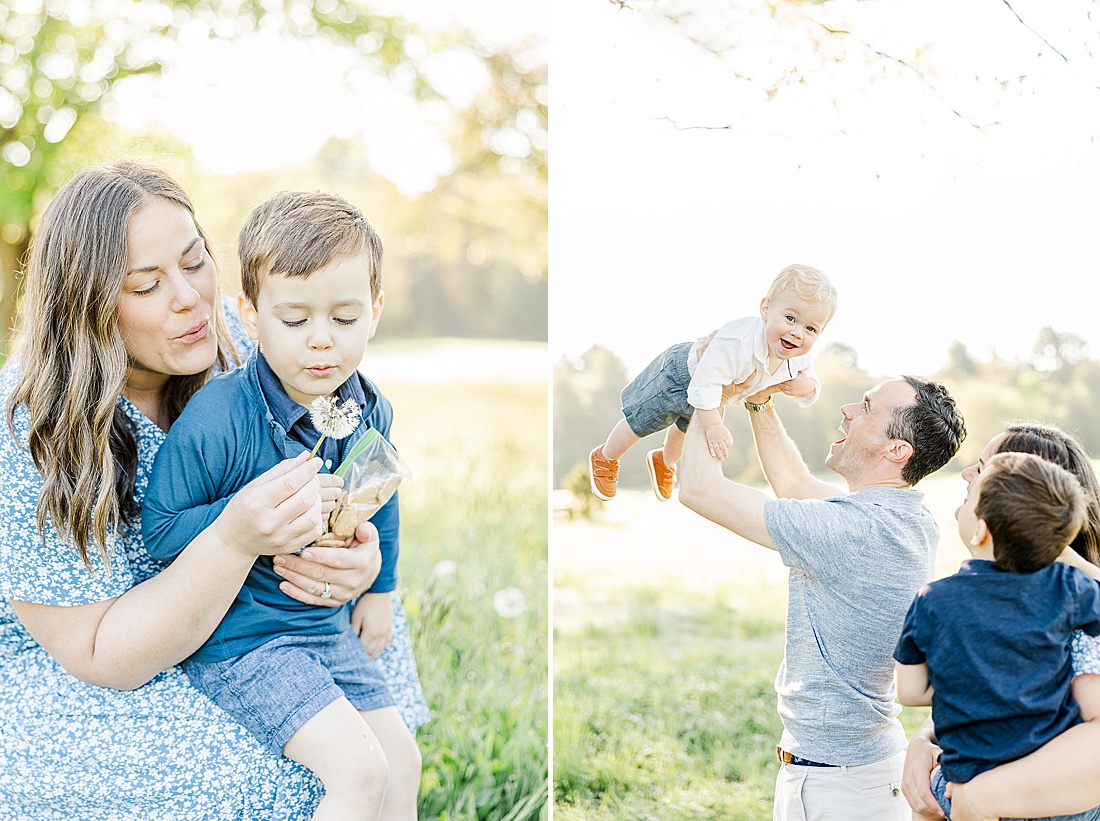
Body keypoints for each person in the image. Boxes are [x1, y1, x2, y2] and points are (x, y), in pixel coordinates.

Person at [0, 161, 425, 820]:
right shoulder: (32, 421)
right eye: (147, 285)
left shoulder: (248, 326)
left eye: (196, 260)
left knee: (378, 744)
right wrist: (233, 537)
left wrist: (364, 564)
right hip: (102, 650)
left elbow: (363, 460)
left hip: (267, 605)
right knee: (266, 774)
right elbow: (97, 650)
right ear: (87, 307)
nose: (192, 300)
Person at [142, 191, 420, 820]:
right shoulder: (218, 416)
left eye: (345, 319)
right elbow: (159, 531)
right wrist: (242, 521)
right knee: (359, 770)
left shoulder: (366, 406)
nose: (322, 342)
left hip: (323, 629)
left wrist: (382, 589)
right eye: (295, 321)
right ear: (251, 313)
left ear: (375, 312)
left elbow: (382, 490)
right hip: (247, 642)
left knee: (401, 759)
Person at [677, 372, 966, 820]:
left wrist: (708, 388)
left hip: (838, 788)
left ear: (896, 450)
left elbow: (698, 487)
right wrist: (759, 402)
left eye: (867, 408)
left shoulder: (852, 530)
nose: (847, 410)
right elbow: (794, 485)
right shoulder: (905, 518)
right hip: (859, 774)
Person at [901, 423, 1100, 821]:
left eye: (983, 469)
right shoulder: (1066, 592)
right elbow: (1000, 686)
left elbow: (914, 689)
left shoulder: (1075, 593)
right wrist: (923, 738)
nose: (966, 476)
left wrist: (978, 792)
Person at [589, 263, 837, 502]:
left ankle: (664, 461)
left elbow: (812, 383)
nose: (798, 333)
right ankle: (606, 456)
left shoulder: (798, 355)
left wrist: (808, 388)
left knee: (683, 433)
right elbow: (704, 383)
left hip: (714, 395)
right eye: (790, 318)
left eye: (811, 328)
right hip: (681, 375)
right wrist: (713, 427)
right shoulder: (738, 343)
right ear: (765, 309)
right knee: (642, 421)